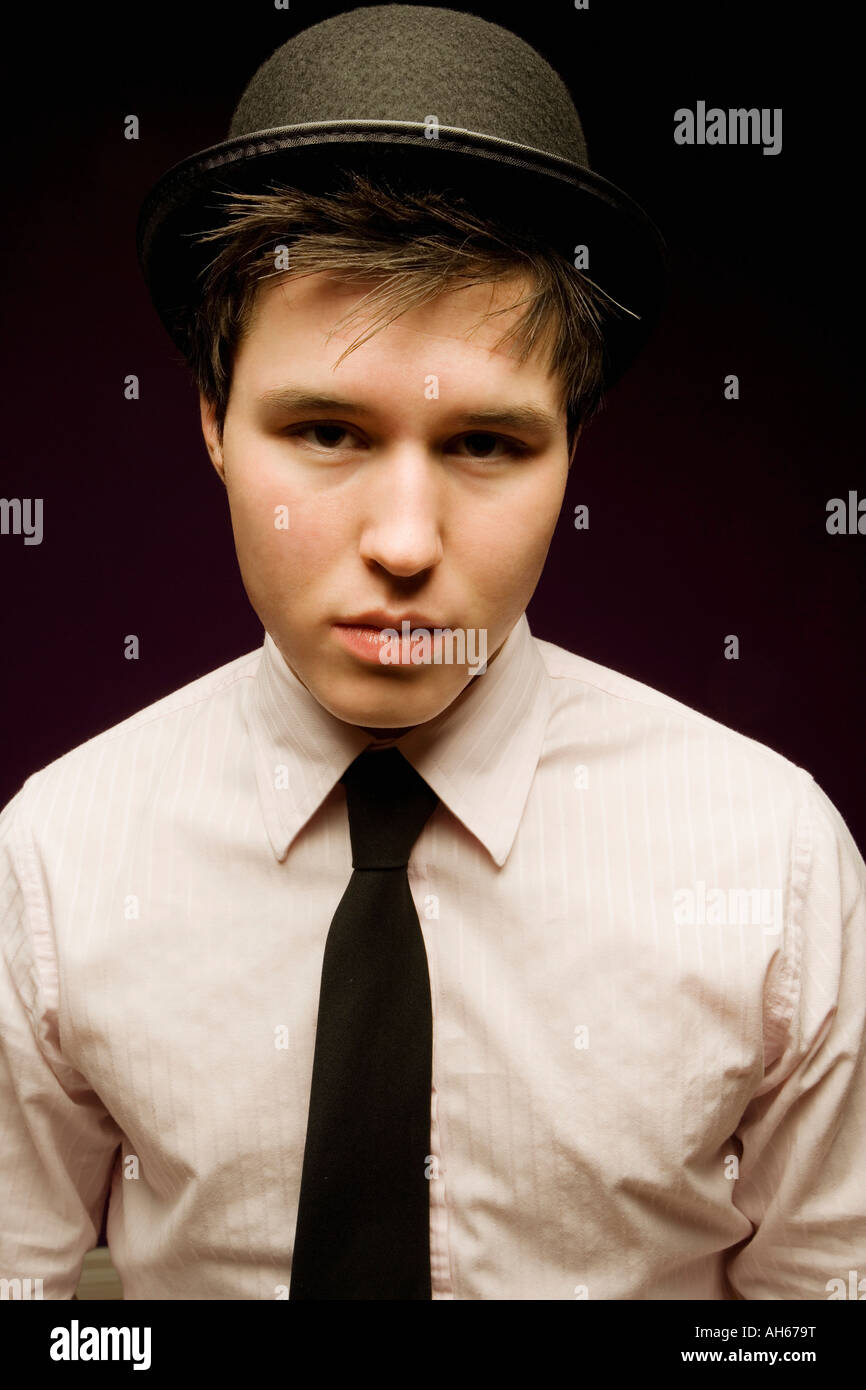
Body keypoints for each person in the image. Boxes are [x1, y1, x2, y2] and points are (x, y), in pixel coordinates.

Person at [1, 4, 864, 1301]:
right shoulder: (57, 862)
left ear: (573, 445)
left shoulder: (773, 863)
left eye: (484, 445)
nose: (404, 544)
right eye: (328, 433)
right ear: (211, 423)